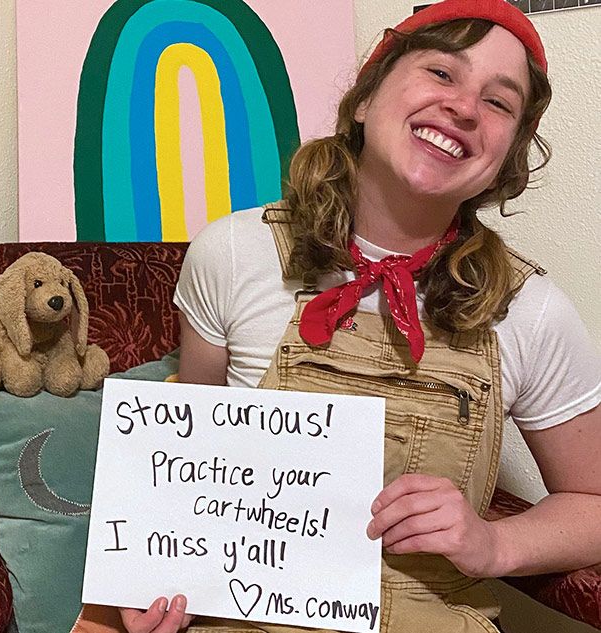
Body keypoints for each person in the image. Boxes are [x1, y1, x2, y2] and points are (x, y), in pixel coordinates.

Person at [105, 0, 601, 632]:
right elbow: (186, 462)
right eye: (441, 74)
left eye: (499, 102)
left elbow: (594, 501)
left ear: (507, 156)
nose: (465, 107)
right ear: (365, 99)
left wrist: (496, 544)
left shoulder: (530, 310)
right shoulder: (231, 253)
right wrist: (161, 581)